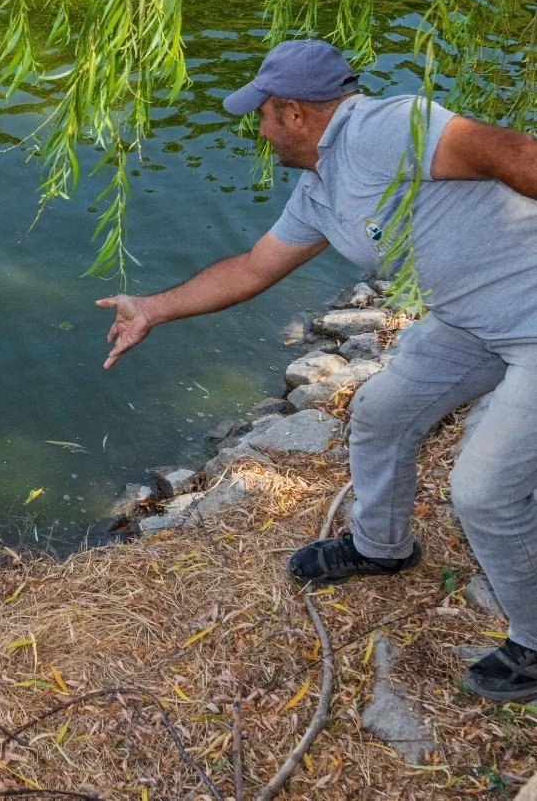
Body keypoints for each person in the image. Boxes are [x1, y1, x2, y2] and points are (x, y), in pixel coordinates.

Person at [96, 38, 537, 703]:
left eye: (263, 114)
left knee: (481, 490)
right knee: (379, 413)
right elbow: (251, 268)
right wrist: (151, 309)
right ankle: (380, 546)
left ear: (295, 113)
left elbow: (520, 156)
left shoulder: (387, 128)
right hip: (469, 322)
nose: (259, 128)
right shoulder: (319, 187)